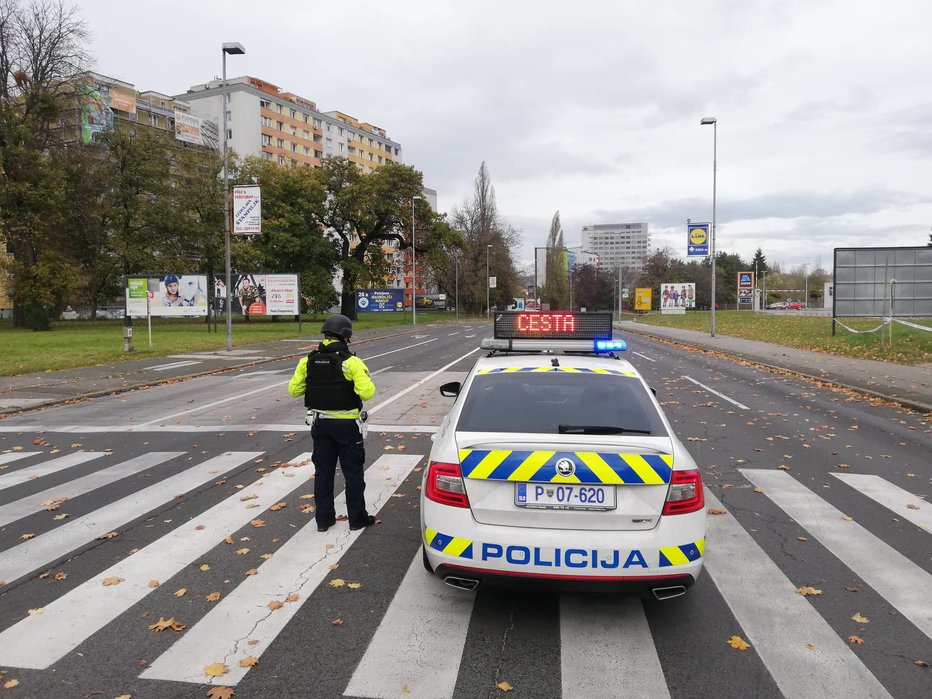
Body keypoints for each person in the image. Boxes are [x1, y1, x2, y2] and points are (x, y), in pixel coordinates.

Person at [288, 314, 377, 532]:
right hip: (347, 427)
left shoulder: (306, 361)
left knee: (323, 473)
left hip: (320, 425)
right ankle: (357, 519)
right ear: (346, 336)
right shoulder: (351, 362)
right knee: (353, 473)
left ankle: (323, 520)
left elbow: (294, 391)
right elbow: (367, 392)